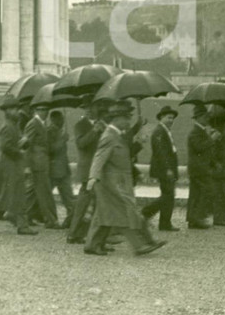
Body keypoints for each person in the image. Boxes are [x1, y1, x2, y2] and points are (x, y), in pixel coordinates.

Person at [83, 100, 167, 257]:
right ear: (117, 119)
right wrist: (92, 177)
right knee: (125, 212)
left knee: (105, 214)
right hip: (110, 183)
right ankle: (140, 245)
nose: (129, 121)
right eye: (127, 118)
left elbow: (122, 157)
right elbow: (99, 157)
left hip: (117, 181)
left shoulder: (116, 135)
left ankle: (92, 245)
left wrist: (139, 144)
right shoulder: (109, 135)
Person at [0, 96, 36, 235]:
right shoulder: (8, 126)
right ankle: (22, 225)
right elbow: (5, 147)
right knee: (16, 193)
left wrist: (24, 142)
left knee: (5, 195)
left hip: (11, 163)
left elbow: (14, 143)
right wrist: (20, 151)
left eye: (17, 108)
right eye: (13, 109)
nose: (16, 111)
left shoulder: (13, 125)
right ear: (7, 111)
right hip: (10, 164)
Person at [66, 99, 107, 244]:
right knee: (84, 204)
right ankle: (74, 233)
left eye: (92, 107)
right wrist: (94, 131)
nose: (89, 110)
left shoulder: (101, 124)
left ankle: (81, 233)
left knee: (91, 203)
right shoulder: (81, 125)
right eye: (86, 107)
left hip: (97, 169)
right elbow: (81, 144)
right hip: (87, 169)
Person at [141, 106, 180, 231]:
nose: (171, 120)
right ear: (161, 117)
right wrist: (168, 168)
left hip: (167, 169)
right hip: (164, 169)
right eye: (168, 117)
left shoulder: (165, 131)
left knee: (168, 195)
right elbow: (161, 152)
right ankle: (146, 213)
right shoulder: (159, 131)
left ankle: (165, 223)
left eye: (172, 118)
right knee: (168, 195)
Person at [23, 102, 61, 229]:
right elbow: (26, 145)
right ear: (36, 110)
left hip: (41, 162)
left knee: (32, 192)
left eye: (47, 109)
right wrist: (27, 165)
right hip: (37, 164)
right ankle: (51, 220)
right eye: (42, 109)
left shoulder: (42, 124)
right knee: (44, 192)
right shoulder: (33, 124)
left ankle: (19, 214)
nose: (45, 112)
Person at [186, 104, 217, 229]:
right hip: (199, 168)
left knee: (196, 193)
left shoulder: (201, 130)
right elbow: (199, 148)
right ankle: (198, 218)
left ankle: (193, 219)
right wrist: (212, 139)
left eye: (207, 116)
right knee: (207, 190)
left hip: (199, 167)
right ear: (197, 117)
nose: (207, 119)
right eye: (205, 116)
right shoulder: (195, 132)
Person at [47, 109, 76, 228]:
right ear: (53, 119)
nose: (62, 121)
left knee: (68, 196)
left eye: (63, 119)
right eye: (60, 119)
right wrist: (62, 140)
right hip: (54, 169)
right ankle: (50, 220)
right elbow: (50, 149)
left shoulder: (60, 131)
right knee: (46, 196)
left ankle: (70, 219)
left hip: (62, 169)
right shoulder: (49, 131)